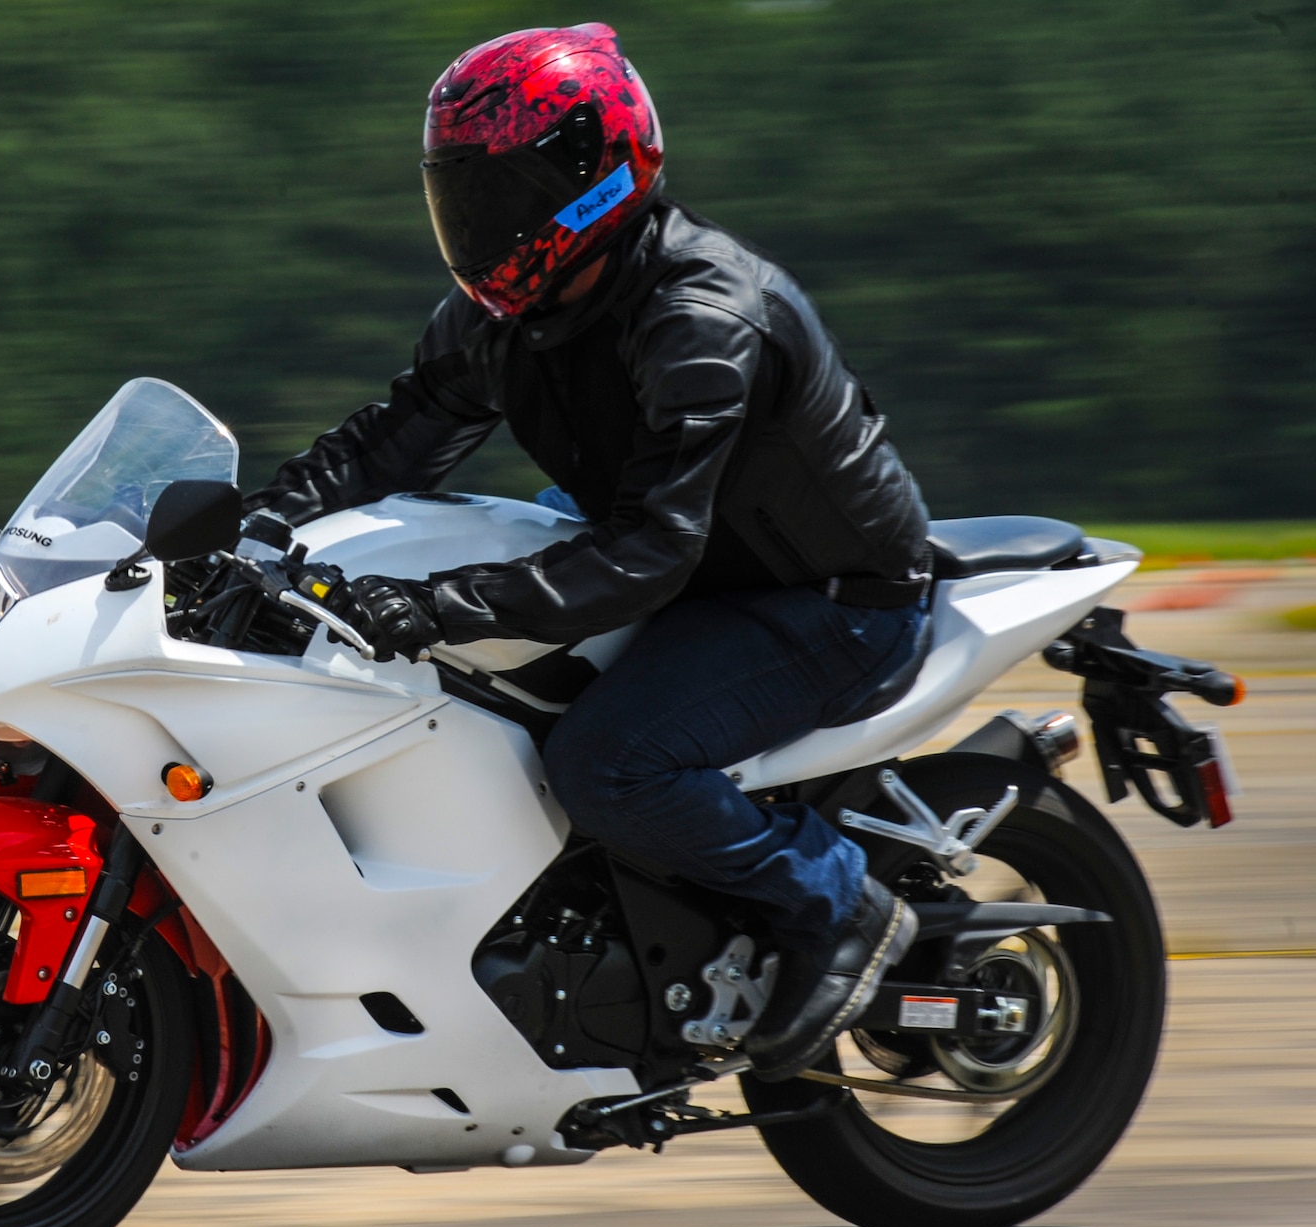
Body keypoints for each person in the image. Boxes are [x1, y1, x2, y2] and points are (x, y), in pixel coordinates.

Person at [244, 23, 933, 1081]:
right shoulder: (505, 314)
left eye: (494, 195)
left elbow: (647, 554)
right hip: (696, 575)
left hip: (827, 602)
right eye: (455, 195)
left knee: (604, 763)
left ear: (586, 179)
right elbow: (398, 432)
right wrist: (256, 526)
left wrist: (431, 604)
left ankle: (838, 903)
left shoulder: (700, 318)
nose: (471, 225)